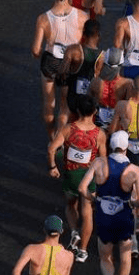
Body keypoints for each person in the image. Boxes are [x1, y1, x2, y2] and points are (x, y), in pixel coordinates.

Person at [79, 131, 139, 275]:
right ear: (126, 148)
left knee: (105, 255)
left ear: (110, 146)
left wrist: (93, 199)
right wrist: (131, 203)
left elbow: (82, 188)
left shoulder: (99, 163)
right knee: (125, 258)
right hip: (123, 216)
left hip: (103, 215)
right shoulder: (135, 171)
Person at [48, 94, 107, 263]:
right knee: (87, 214)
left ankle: (74, 231)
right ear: (95, 111)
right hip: (88, 178)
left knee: (70, 205)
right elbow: (103, 161)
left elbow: (52, 149)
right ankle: (83, 251)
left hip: (70, 176)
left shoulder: (68, 129)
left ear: (78, 111)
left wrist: (53, 167)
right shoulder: (100, 134)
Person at [32, 0, 90, 140]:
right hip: (70, 63)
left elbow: (36, 49)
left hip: (51, 61)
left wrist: (36, 54)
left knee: (49, 104)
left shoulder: (43, 18)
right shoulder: (82, 16)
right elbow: (86, 43)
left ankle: (52, 137)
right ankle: (60, 139)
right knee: (64, 106)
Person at [64, 19, 105, 123]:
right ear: (98, 35)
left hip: (73, 96)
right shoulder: (101, 56)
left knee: (70, 121)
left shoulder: (73, 50)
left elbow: (63, 72)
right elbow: (97, 75)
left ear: (83, 33)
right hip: (88, 99)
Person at [88, 47, 134, 131]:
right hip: (117, 124)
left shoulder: (95, 81)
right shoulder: (127, 84)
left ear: (105, 63)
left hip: (98, 122)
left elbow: (88, 104)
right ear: (121, 63)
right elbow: (129, 109)